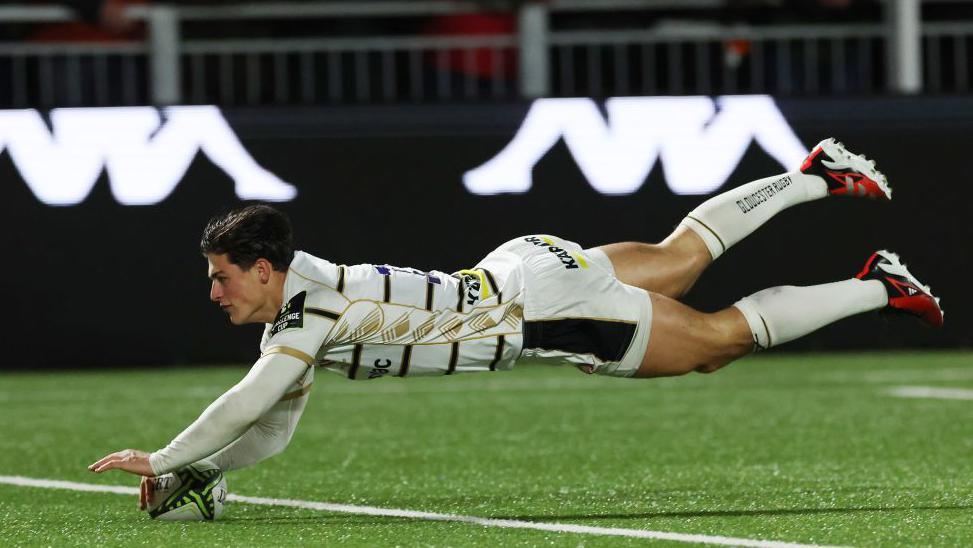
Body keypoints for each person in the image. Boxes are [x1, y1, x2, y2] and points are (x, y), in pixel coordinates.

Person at [89, 138, 943, 510]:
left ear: (265, 271)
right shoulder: (306, 300)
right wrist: (199, 472)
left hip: (540, 312)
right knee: (681, 253)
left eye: (222, 278)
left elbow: (251, 401)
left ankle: (878, 286)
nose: (215, 294)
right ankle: (816, 176)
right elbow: (270, 430)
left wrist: (166, 457)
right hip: (519, 265)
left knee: (716, 344)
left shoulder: (307, 316)